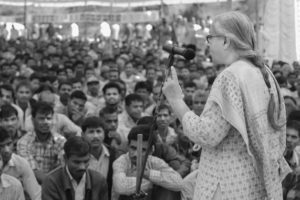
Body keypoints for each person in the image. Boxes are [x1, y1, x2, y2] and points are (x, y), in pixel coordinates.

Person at [162, 11, 290, 200]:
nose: (208, 44)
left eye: (210, 38)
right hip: (254, 183)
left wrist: (176, 100)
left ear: (226, 41)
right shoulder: (264, 73)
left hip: (227, 185)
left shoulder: (231, 76)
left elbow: (207, 134)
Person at [112, 125, 183, 200]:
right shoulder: (121, 162)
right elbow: (121, 187)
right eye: (133, 148)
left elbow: (178, 183)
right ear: (127, 146)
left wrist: (148, 174)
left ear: (151, 151)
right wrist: (154, 182)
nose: (136, 154)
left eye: (143, 150)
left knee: (169, 190)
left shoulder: (155, 161)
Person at [42, 136, 108, 200]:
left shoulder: (99, 180)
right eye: (77, 162)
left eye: (86, 161)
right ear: (65, 158)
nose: (82, 167)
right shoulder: (51, 181)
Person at [17, 102, 66, 184]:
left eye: (49, 118)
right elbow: (32, 171)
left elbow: (63, 167)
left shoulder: (60, 140)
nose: (46, 122)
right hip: (31, 186)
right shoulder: (23, 142)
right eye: (41, 118)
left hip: (56, 184)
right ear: (33, 120)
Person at [0, 126, 41, 200]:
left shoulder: (21, 164)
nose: (7, 150)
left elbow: (36, 194)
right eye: (1, 146)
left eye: (9, 144)